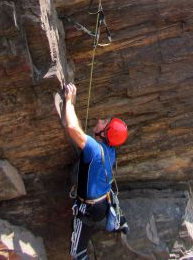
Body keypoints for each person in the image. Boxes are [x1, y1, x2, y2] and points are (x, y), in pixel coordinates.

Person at [62, 83, 128, 260]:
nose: (99, 121)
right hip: (103, 201)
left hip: (88, 209)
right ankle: (119, 221)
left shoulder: (94, 148)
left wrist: (70, 102)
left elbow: (73, 128)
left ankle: (117, 221)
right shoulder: (110, 149)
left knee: (77, 252)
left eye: (103, 123)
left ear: (104, 135)